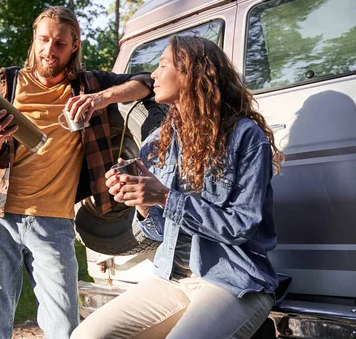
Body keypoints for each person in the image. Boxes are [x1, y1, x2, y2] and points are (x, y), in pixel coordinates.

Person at [71, 35, 283, 339]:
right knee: (86, 336)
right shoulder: (158, 141)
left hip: (233, 280)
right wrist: (143, 204)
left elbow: (242, 227)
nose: (153, 75)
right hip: (170, 278)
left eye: (163, 65)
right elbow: (158, 231)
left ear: (191, 73)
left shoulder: (244, 137)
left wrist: (165, 196)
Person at [0, 6, 153, 339]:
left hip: (53, 220)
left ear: (74, 46)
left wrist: (101, 99)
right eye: (43, 40)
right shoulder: (9, 81)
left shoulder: (90, 84)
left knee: (64, 326)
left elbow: (146, 83)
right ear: (34, 40)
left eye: (59, 44)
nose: (49, 50)